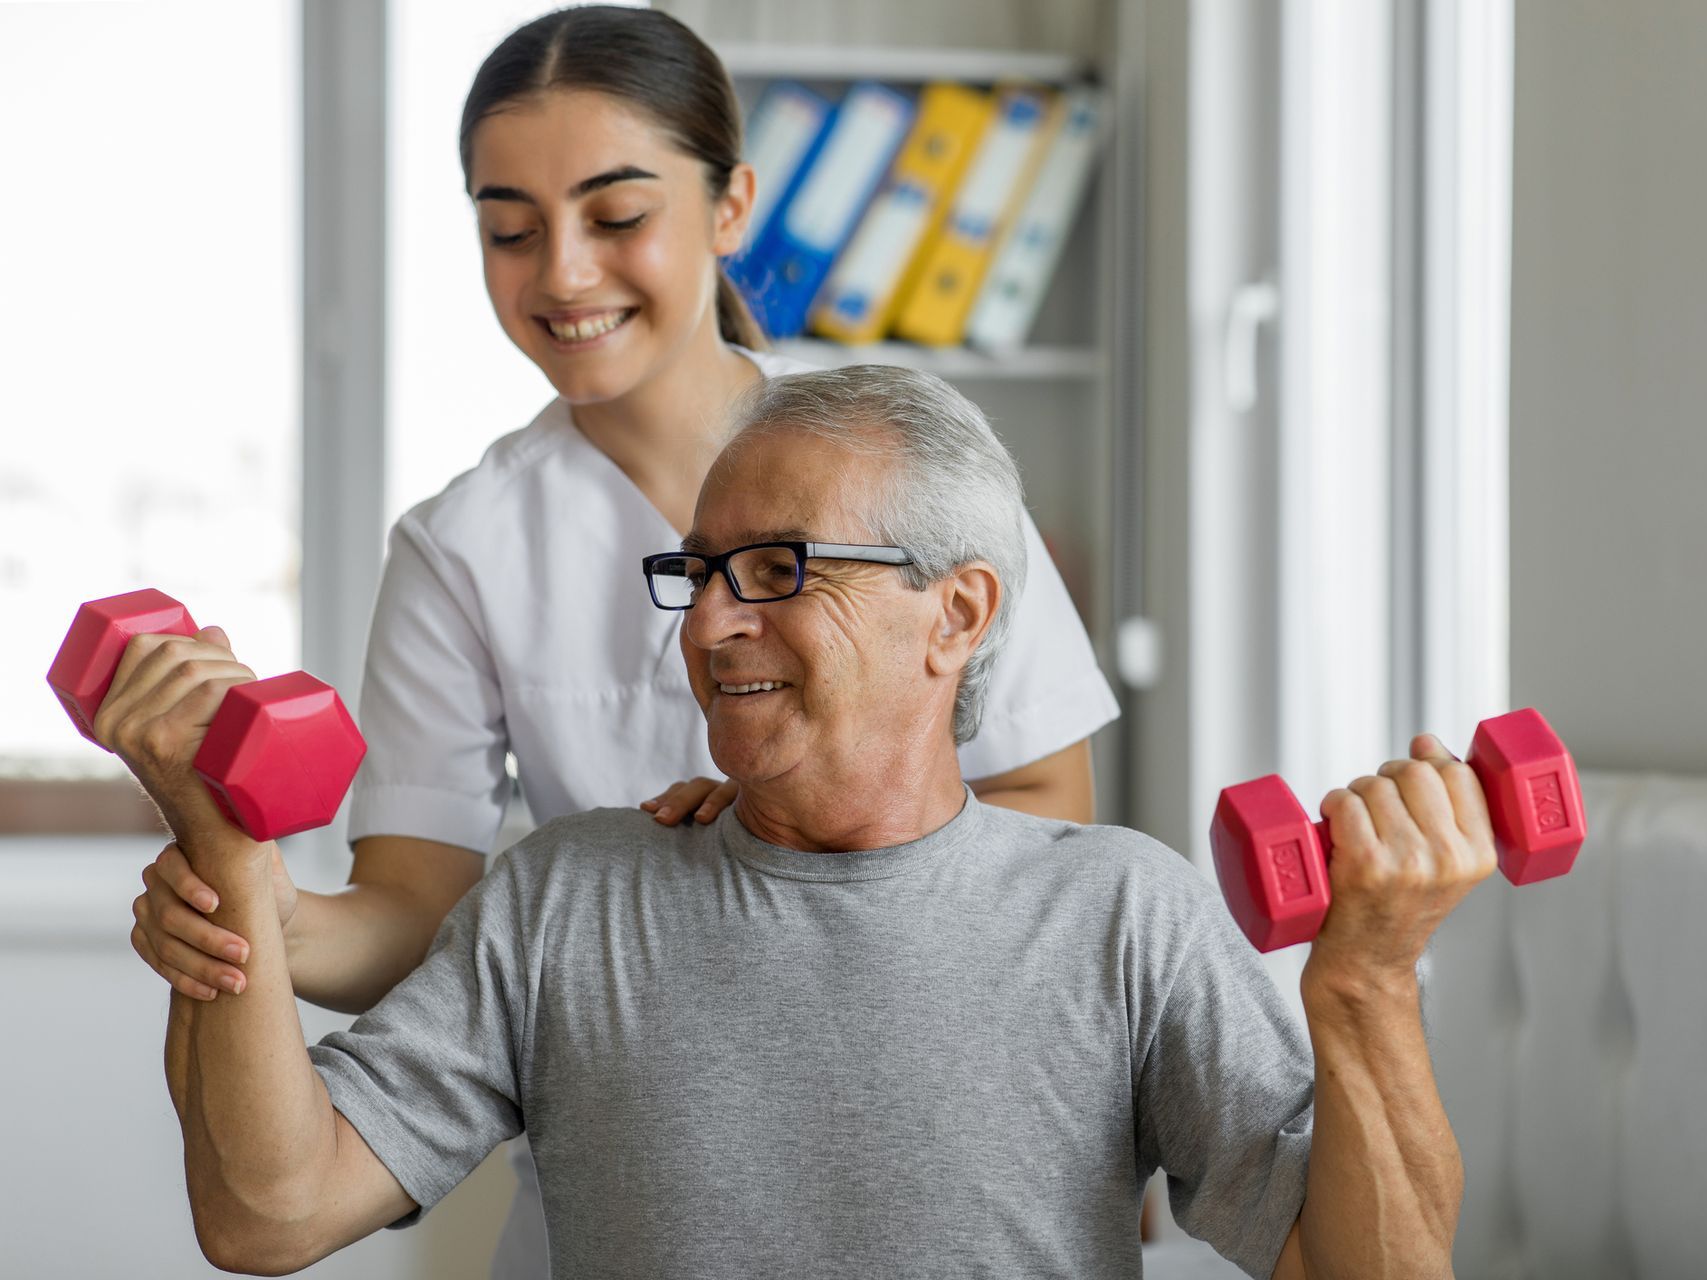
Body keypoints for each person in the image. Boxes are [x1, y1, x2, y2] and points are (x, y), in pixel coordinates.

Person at [95, 365, 1487, 1279]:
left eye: (777, 570)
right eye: (697, 573)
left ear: (957, 614)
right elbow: (268, 1210)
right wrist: (225, 860)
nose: (707, 623)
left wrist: (1361, 989)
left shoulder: (1119, 911)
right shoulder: (571, 894)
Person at [123, 10, 1117, 1273]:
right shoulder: (464, 543)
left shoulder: (900, 459)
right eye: (510, 229)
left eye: (615, 214)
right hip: (633, 1135)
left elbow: (1047, 808)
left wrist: (804, 814)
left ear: (732, 206)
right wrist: (263, 916)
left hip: (919, 1092)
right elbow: (417, 909)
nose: (564, 275)